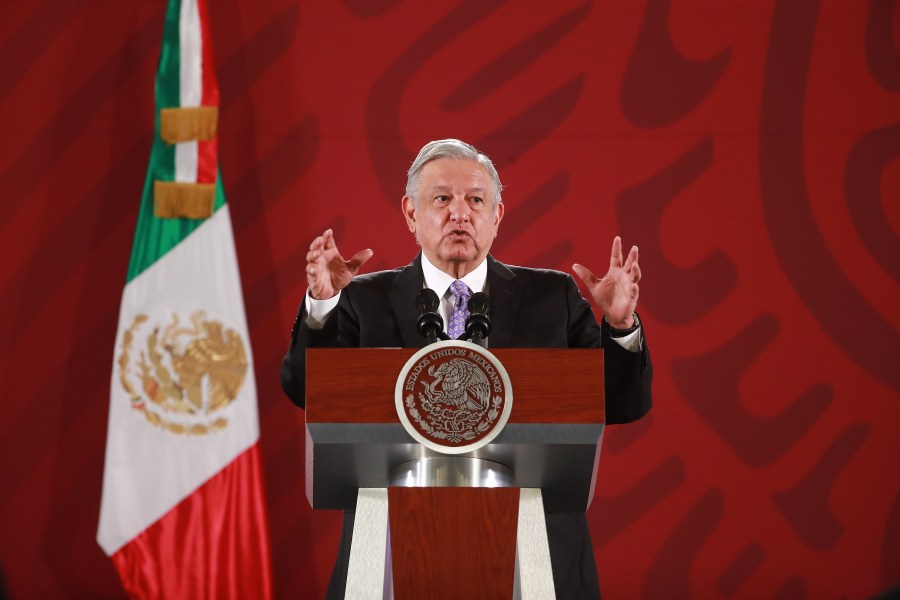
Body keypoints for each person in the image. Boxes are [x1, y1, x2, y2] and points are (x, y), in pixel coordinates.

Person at [281, 139, 652, 599]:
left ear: (496, 215)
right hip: (393, 548)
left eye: (476, 200)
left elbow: (622, 402)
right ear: (410, 213)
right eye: (442, 199)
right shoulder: (362, 298)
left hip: (536, 552)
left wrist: (619, 326)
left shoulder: (551, 297)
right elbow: (304, 389)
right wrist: (322, 306)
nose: (460, 214)